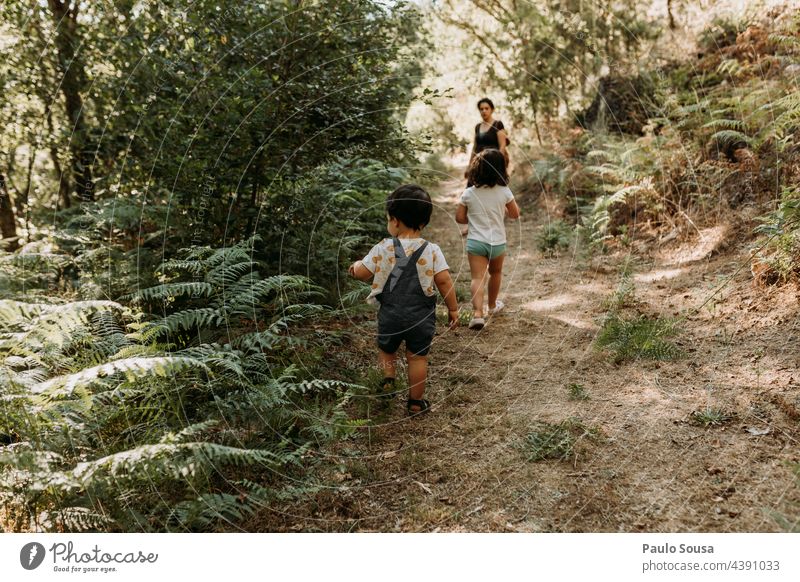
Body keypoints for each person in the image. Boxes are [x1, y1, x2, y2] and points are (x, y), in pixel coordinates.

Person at [349, 184, 459, 415]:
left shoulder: (383, 248)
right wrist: (453, 310)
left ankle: (388, 378)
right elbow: (445, 282)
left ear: (395, 221)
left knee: (387, 350)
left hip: (390, 314)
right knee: (418, 358)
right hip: (421, 317)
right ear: (424, 221)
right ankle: (415, 402)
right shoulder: (432, 250)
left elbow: (362, 272)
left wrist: (355, 266)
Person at [455, 148, 520, 330]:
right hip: (497, 242)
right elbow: (515, 214)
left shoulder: (469, 193)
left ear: (477, 169)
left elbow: (459, 218)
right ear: (501, 169)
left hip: (476, 242)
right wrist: (500, 211)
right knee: (496, 273)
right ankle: (491, 306)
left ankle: (477, 314)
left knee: (477, 277)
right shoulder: (504, 191)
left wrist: (475, 219)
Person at [466, 97, 510, 183]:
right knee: (473, 188)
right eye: (481, 109)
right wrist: (469, 166)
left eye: (486, 108)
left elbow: (502, 146)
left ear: (492, 110)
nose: (484, 111)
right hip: (479, 165)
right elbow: (475, 147)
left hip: (493, 164)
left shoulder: (498, 124)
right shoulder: (477, 127)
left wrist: (497, 165)